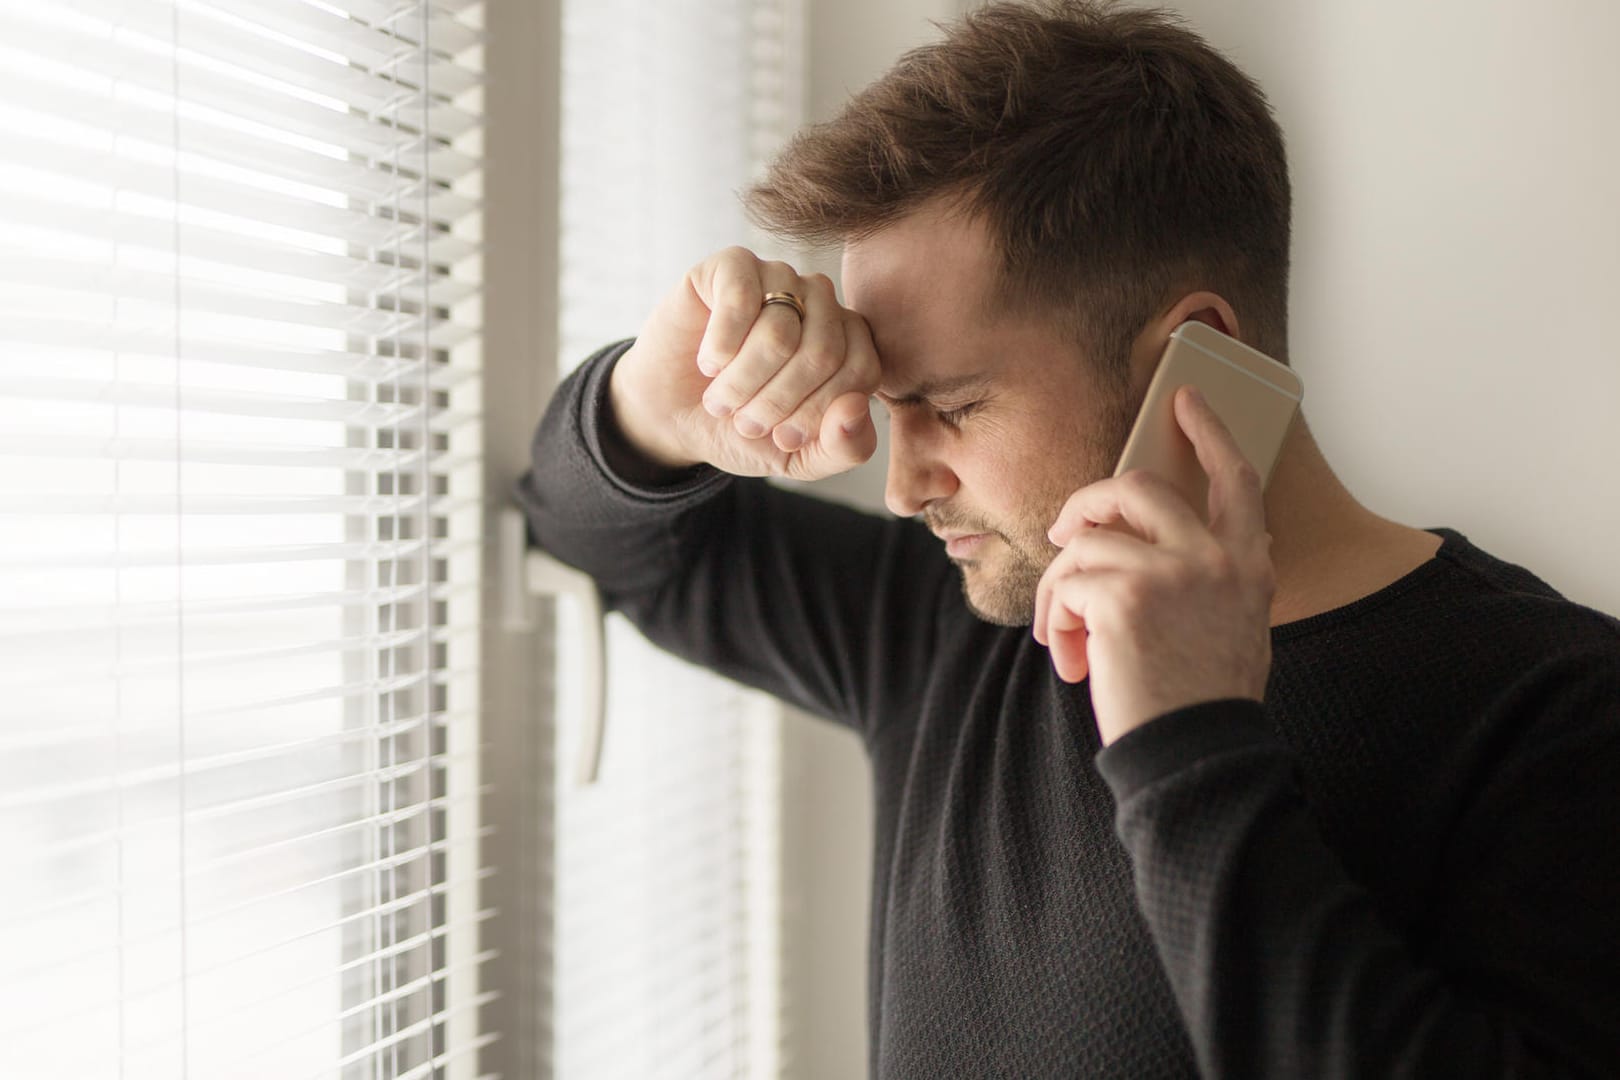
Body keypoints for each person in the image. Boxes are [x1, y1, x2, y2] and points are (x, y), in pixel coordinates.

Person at [517, 2, 1620, 1075]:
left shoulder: (1559, 709)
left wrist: (1190, 742)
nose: (900, 488)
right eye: (891, 410)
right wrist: (659, 408)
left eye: (949, 409)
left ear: (1195, 365)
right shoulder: (961, 622)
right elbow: (602, 537)